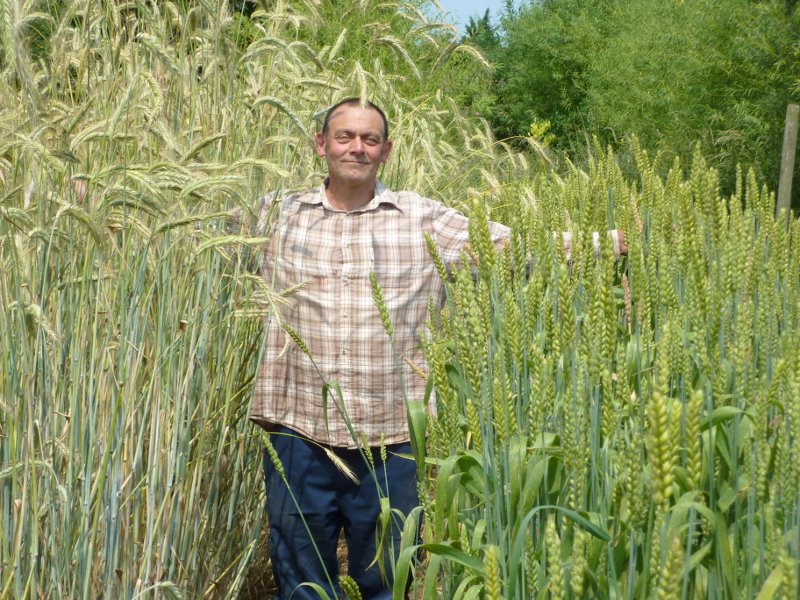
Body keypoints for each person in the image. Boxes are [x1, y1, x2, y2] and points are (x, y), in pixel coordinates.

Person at [250, 98, 625, 599]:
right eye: (344, 137)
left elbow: (515, 246)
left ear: (386, 151)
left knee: (384, 582)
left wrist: (614, 240)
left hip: (390, 442)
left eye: (370, 139)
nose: (356, 148)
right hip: (298, 437)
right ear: (321, 145)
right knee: (300, 585)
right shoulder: (276, 215)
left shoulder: (422, 218)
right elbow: (191, 233)